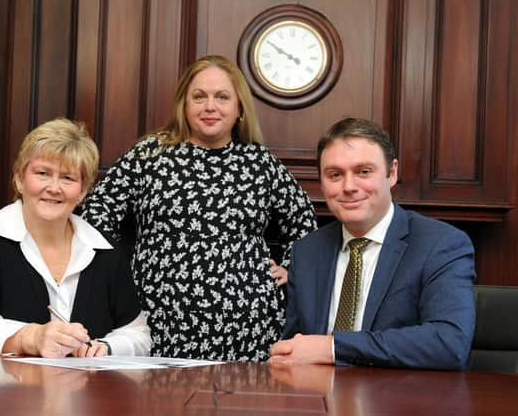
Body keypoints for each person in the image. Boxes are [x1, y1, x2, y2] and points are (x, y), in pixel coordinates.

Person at [80, 55, 317, 361]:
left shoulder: (259, 163)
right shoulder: (150, 154)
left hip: (247, 327)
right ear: (184, 104)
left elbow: (302, 221)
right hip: (158, 320)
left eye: (222, 97)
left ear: (239, 107)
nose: (210, 106)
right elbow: (97, 211)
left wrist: (291, 268)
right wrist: (117, 275)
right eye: (199, 96)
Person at [269, 117, 475, 370]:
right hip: (317, 401)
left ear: (392, 173)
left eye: (363, 172)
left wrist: (333, 347)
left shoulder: (441, 244)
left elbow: (449, 343)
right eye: (335, 175)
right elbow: (296, 345)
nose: (348, 187)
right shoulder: (307, 251)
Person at [0, 118, 151, 358]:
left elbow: (139, 336)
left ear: (83, 191)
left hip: (88, 393)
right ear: (20, 179)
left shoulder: (106, 251)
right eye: (43, 173)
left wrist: (105, 348)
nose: (54, 187)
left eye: (68, 178)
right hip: (3, 391)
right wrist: (29, 338)